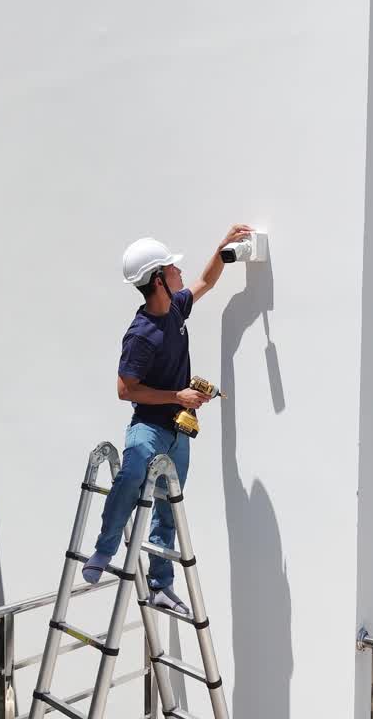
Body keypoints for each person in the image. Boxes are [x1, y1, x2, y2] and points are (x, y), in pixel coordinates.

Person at [82, 225, 254, 615]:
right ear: (158, 278)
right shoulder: (141, 335)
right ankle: (103, 550)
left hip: (178, 430)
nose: (181, 271)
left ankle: (161, 585)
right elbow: (126, 390)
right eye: (173, 267)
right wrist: (176, 395)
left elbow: (206, 281)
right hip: (149, 427)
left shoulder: (176, 307)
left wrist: (222, 248)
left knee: (167, 509)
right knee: (131, 476)